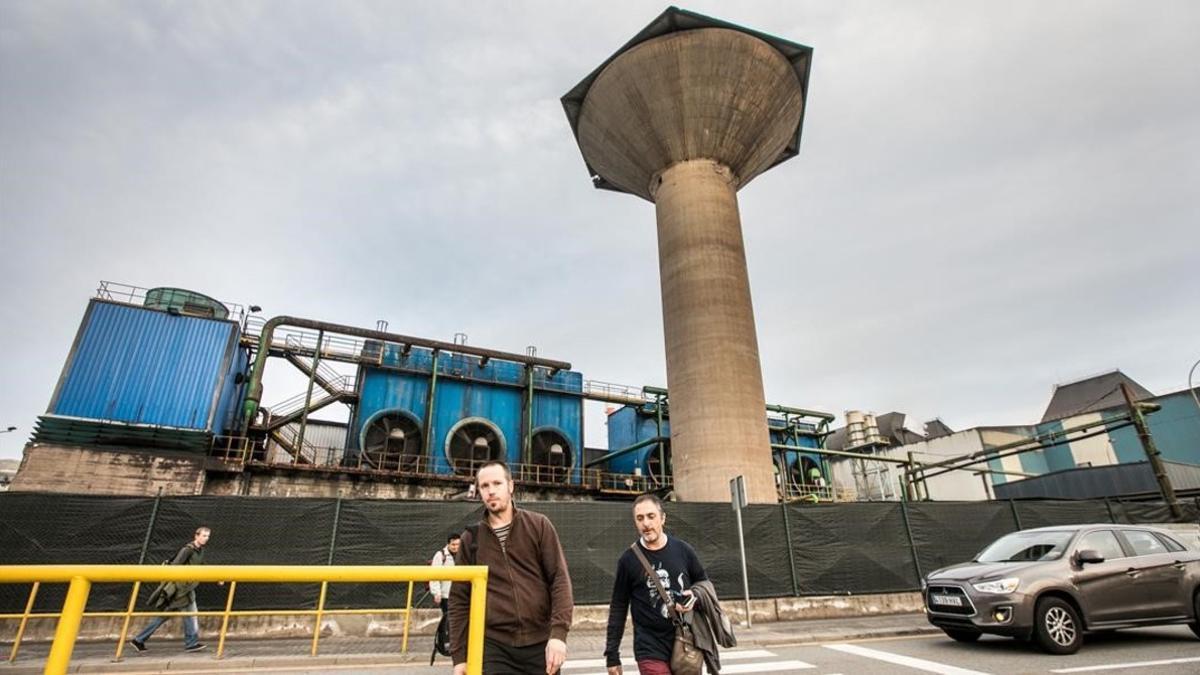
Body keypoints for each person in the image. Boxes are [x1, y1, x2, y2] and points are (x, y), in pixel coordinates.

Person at [449, 461, 573, 675]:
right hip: (494, 646)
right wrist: (459, 657)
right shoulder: (471, 538)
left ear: (511, 486)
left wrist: (558, 635)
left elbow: (560, 580)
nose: (491, 491)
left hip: (541, 643)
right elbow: (459, 599)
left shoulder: (539, 525)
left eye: (497, 483)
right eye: (484, 486)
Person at [604, 494, 709, 675]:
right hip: (649, 647)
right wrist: (612, 654)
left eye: (651, 516)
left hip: (684, 641)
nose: (645, 523)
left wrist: (694, 597)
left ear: (663, 518)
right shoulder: (628, 560)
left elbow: (703, 583)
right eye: (640, 518)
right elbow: (618, 608)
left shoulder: (684, 550)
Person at [129, 526, 214, 653]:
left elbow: (201, 565)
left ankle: (138, 640)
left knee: (164, 617)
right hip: (181, 590)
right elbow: (175, 567)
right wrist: (182, 585)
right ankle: (191, 643)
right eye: (203, 535)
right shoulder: (187, 550)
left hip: (186, 589)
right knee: (190, 615)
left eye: (208, 536)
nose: (206, 538)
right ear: (196, 536)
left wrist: (217, 576)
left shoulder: (199, 550)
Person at [430, 532, 461, 661]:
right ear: (448, 544)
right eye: (453, 544)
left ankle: (456, 643)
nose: (456, 547)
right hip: (446, 594)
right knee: (449, 619)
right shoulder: (440, 555)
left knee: (458, 620)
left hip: (459, 594)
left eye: (458, 544)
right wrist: (436, 592)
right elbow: (434, 575)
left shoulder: (462, 554)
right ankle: (448, 643)